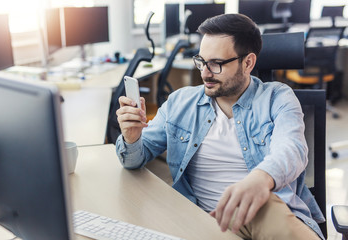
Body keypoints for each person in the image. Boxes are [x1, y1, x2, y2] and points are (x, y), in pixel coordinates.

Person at [115, 13, 325, 240]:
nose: (205, 72)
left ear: (248, 62)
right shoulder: (180, 102)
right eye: (202, 61)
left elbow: (292, 149)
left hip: (264, 214)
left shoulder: (278, 97)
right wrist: (131, 138)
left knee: (265, 206)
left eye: (216, 64)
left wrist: (260, 179)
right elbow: (133, 160)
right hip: (200, 219)